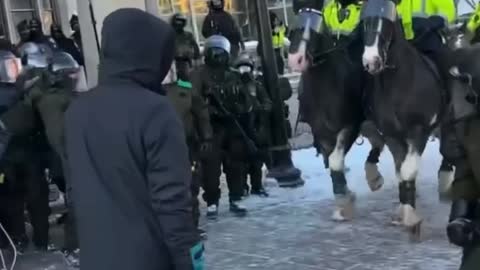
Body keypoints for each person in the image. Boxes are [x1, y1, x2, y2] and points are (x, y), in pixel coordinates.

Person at [64, 8, 204, 270]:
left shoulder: (77, 112)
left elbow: (75, 190)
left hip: (97, 258)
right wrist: (192, 262)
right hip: (149, 258)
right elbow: (172, 205)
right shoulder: (156, 111)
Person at [192, 35, 253, 219]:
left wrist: (239, 109)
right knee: (210, 169)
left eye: (221, 52)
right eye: (214, 51)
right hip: (210, 129)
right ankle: (212, 202)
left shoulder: (234, 75)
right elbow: (192, 99)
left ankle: (236, 198)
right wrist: (210, 110)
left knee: (236, 165)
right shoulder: (198, 75)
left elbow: (247, 100)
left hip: (232, 127)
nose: (218, 56)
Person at [165, 63, 213, 238]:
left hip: (187, 145)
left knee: (191, 186)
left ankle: (191, 225)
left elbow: (202, 114)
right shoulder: (145, 91)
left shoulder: (185, 89)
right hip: (161, 148)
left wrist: (206, 137)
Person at [233, 53, 271, 197]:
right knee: (240, 162)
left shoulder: (257, 86)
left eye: (246, 68)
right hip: (239, 128)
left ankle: (257, 186)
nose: (244, 72)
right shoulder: (234, 87)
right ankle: (242, 187)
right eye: (241, 69)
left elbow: (267, 102)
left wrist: (261, 108)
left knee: (256, 161)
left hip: (255, 127)